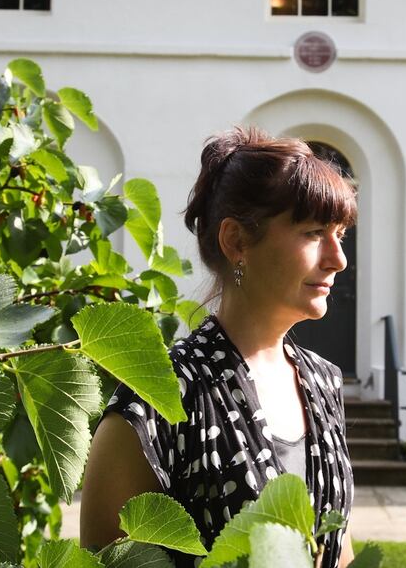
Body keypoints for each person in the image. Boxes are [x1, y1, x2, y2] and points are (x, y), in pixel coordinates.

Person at [80, 126, 357, 568]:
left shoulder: (324, 383)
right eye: (313, 232)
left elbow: (339, 549)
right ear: (237, 242)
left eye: (339, 234)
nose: (338, 259)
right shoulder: (159, 401)